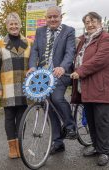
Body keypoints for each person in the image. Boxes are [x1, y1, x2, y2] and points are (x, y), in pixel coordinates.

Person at [27, 6, 76, 155]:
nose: (53, 19)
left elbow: (70, 51)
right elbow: (35, 50)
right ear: (46, 18)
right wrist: (32, 67)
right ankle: (57, 142)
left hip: (60, 74)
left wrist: (62, 67)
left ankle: (70, 125)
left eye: (56, 16)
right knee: (47, 107)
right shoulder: (40, 31)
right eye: (50, 17)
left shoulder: (69, 31)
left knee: (56, 97)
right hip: (44, 75)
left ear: (61, 17)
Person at [71, 12, 109, 166]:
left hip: (100, 86)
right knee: (91, 120)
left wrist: (79, 71)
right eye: (87, 22)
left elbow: (100, 60)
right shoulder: (83, 40)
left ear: (100, 22)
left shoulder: (105, 38)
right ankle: (95, 146)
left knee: (102, 121)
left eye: (93, 21)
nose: (90, 24)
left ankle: (104, 152)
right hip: (84, 88)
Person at [0, 12, 31, 159]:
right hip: (7, 87)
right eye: (11, 24)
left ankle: (20, 146)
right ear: (7, 26)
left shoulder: (29, 43)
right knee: (9, 118)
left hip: (24, 87)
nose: (14, 26)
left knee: (22, 117)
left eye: (16, 24)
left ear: (20, 25)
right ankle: (12, 148)